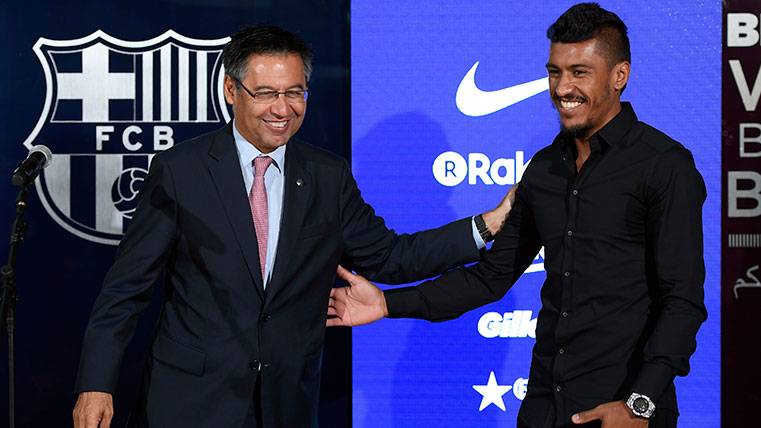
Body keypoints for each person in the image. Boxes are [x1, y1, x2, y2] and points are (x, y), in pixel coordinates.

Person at [72, 25, 514, 427]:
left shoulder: (327, 176)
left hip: (286, 405)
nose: (282, 109)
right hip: (189, 403)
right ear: (231, 90)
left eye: (295, 92)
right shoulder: (180, 170)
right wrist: (95, 384)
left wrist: (489, 223)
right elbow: (125, 290)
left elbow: (391, 257)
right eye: (266, 93)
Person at [328, 3, 707, 427]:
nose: (563, 88)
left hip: (624, 410)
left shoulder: (663, 165)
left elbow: (683, 301)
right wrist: (386, 303)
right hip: (544, 407)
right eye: (555, 72)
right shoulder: (544, 169)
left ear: (620, 75)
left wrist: (641, 402)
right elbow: (490, 278)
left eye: (580, 72)